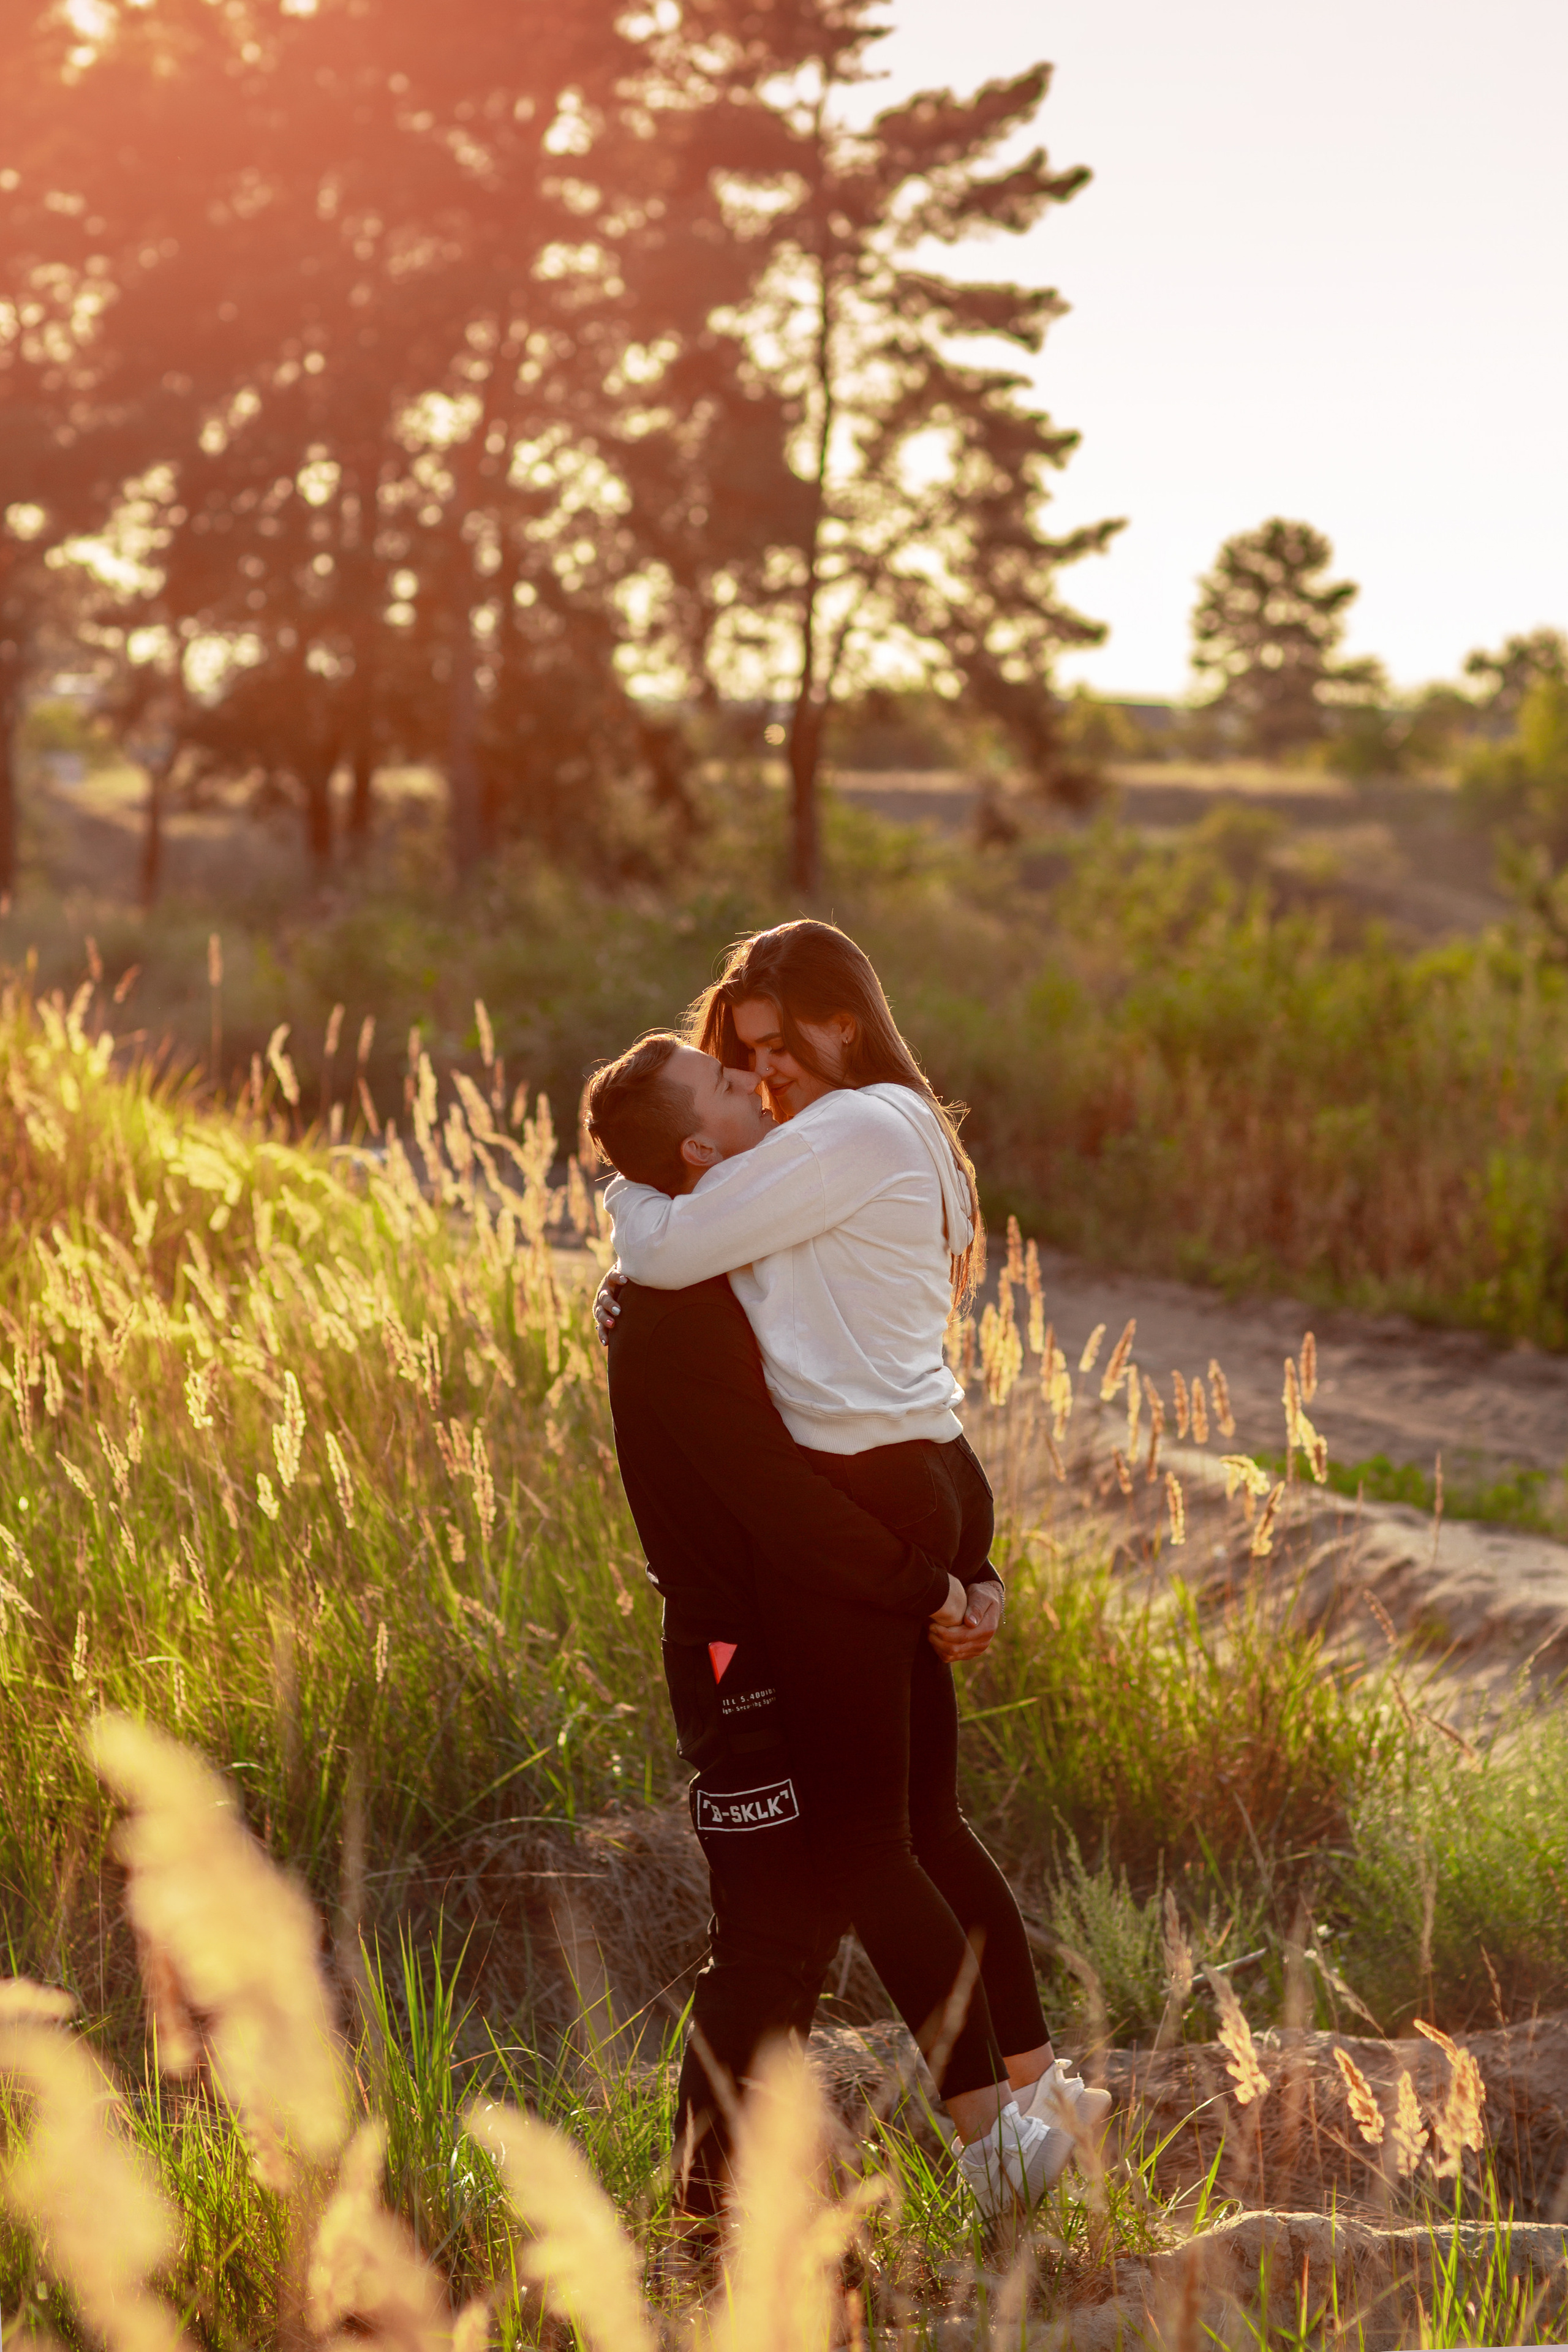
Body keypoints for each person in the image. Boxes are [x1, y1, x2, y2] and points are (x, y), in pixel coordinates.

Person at [587, 925, 1110, 2212]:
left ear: (845, 1017)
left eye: (780, 1046)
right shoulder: (885, 1129)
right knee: (902, 1837)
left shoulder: (830, 1142)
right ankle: (1030, 2100)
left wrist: (934, 1576)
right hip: (875, 1514)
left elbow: (662, 1253)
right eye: (739, 1063)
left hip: (846, 1534)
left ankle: (996, 2139)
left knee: (860, 1851)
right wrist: (954, 1560)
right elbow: (900, 1392)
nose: (764, 1078)